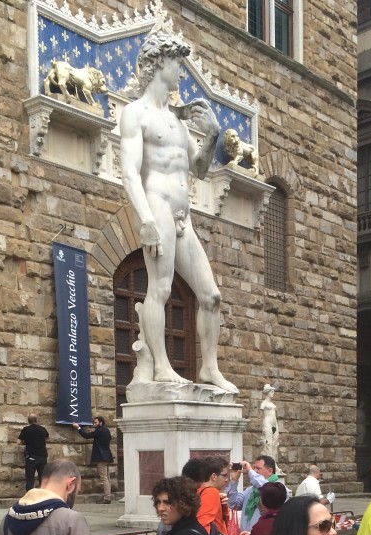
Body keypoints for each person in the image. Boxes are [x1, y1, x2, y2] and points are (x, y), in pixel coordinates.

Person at [118, 32, 236, 393]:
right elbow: (128, 172)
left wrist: (213, 135)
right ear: (159, 64)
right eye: (178, 65)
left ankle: (209, 368)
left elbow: (198, 170)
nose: (182, 73)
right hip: (158, 205)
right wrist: (147, 220)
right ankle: (162, 367)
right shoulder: (135, 114)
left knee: (211, 296)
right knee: (161, 287)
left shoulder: (178, 122)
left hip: (184, 217)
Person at [229, 454, 280, 533]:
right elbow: (234, 504)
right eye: (254, 468)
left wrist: (250, 470)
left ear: (270, 471)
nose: (255, 471)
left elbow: (266, 487)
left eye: (258, 468)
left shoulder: (279, 489)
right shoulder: (251, 490)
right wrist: (234, 481)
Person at [72, 416, 114, 503]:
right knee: (107, 477)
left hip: (101, 457)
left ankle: (107, 498)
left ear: (101, 422)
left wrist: (78, 428)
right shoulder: (106, 430)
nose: (94, 424)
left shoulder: (99, 431)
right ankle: (108, 496)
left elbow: (87, 436)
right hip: (106, 456)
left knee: (104, 478)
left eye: (96, 422)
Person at [17, 413, 49, 491]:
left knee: (30, 479)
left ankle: (30, 498)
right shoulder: (42, 429)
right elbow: (47, 437)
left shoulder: (26, 429)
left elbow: (18, 442)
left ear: (28, 421)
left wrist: (25, 442)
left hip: (31, 457)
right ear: (36, 420)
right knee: (43, 479)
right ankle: (44, 498)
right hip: (42, 457)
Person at [260, 384, 280, 461]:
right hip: (267, 423)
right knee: (268, 442)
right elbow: (261, 415)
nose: (273, 393)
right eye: (271, 391)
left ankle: (274, 462)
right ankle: (269, 462)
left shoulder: (272, 404)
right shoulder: (264, 404)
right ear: (267, 392)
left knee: (275, 443)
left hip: (274, 425)